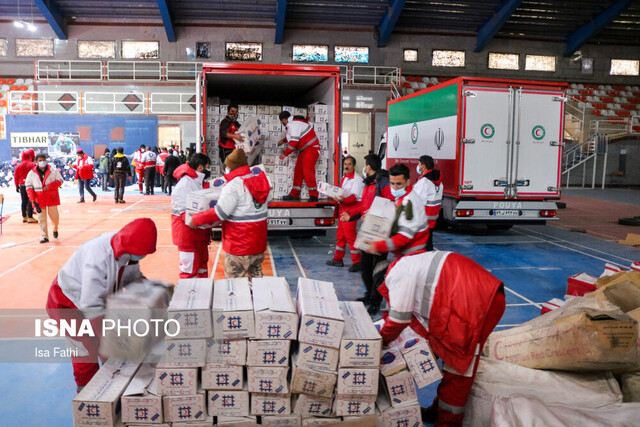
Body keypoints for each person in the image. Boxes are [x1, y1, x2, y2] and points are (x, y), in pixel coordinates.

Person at [376, 251, 505, 426]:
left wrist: (379, 342)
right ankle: (438, 410)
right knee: (447, 354)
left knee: (458, 371)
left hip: (477, 303)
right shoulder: (408, 264)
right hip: (467, 295)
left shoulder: (397, 275)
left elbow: (399, 318)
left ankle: (448, 423)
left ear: (385, 278)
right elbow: (395, 312)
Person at [45, 218, 158, 390]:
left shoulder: (125, 247)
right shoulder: (97, 258)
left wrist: (155, 295)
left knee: (111, 355)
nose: (141, 257)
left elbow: (132, 277)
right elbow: (91, 307)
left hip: (95, 303)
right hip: (66, 305)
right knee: (86, 354)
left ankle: (113, 390)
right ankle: (88, 402)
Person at [190, 149, 271, 279]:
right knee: (256, 282)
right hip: (258, 244)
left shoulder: (234, 186)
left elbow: (220, 213)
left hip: (238, 245)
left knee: (234, 286)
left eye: (227, 166)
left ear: (232, 167)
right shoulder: (261, 181)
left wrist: (196, 219)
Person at [340, 154, 393, 314]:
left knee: (377, 269)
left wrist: (375, 213)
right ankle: (369, 295)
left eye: (365, 164)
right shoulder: (369, 184)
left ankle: (376, 301)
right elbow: (363, 206)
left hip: (380, 231)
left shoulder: (382, 183)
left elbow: (390, 204)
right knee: (366, 267)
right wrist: (352, 215)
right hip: (368, 229)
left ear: (368, 166)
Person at [363, 163, 429, 260]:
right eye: (392, 183)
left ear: (408, 182)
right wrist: (375, 213)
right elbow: (396, 211)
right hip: (406, 255)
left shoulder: (410, 203)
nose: (394, 188)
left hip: (412, 257)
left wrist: (378, 246)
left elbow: (404, 237)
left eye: (398, 184)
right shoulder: (403, 197)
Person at [171, 153, 212, 279]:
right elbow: (187, 217)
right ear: (200, 168)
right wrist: (210, 217)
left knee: (202, 266)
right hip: (188, 236)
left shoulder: (197, 182)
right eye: (207, 167)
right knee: (189, 271)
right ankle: (189, 297)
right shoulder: (184, 185)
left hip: (200, 235)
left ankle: (202, 294)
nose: (208, 170)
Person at [326, 155, 365, 271]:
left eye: (349, 164)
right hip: (344, 208)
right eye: (345, 164)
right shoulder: (345, 178)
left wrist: (341, 199)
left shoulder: (357, 180)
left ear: (354, 166)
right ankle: (338, 259)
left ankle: (358, 262)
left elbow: (354, 197)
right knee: (341, 235)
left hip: (351, 209)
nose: (346, 166)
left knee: (350, 236)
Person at [278, 111, 320, 201]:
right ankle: (294, 194)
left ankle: (314, 195)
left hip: (311, 148)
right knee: (298, 171)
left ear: (284, 120)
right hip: (305, 150)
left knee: (307, 171)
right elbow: (291, 136)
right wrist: (283, 141)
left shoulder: (294, 124)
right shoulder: (294, 124)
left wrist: (285, 154)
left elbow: (294, 141)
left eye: (282, 121)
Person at [25, 153, 64, 243]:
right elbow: (28, 186)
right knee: (41, 218)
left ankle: (55, 228)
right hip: (39, 198)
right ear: (36, 161)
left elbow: (60, 180)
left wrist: (50, 186)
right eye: (40, 160)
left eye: (44, 160)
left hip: (51, 197)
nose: (42, 162)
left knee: (55, 217)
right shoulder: (32, 173)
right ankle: (44, 236)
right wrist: (32, 197)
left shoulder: (53, 171)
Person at [414, 155, 443, 251]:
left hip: (422, 220)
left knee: (421, 247)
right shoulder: (439, 183)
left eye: (419, 164)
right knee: (428, 245)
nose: (417, 166)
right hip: (432, 220)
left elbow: (417, 203)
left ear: (424, 166)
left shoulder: (424, 183)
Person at [14, 148, 37, 223]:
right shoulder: (33, 165)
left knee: (23, 201)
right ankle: (30, 216)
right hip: (31, 185)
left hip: (22, 185)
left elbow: (16, 176)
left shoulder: (18, 166)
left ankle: (24, 217)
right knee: (31, 200)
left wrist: (17, 185)